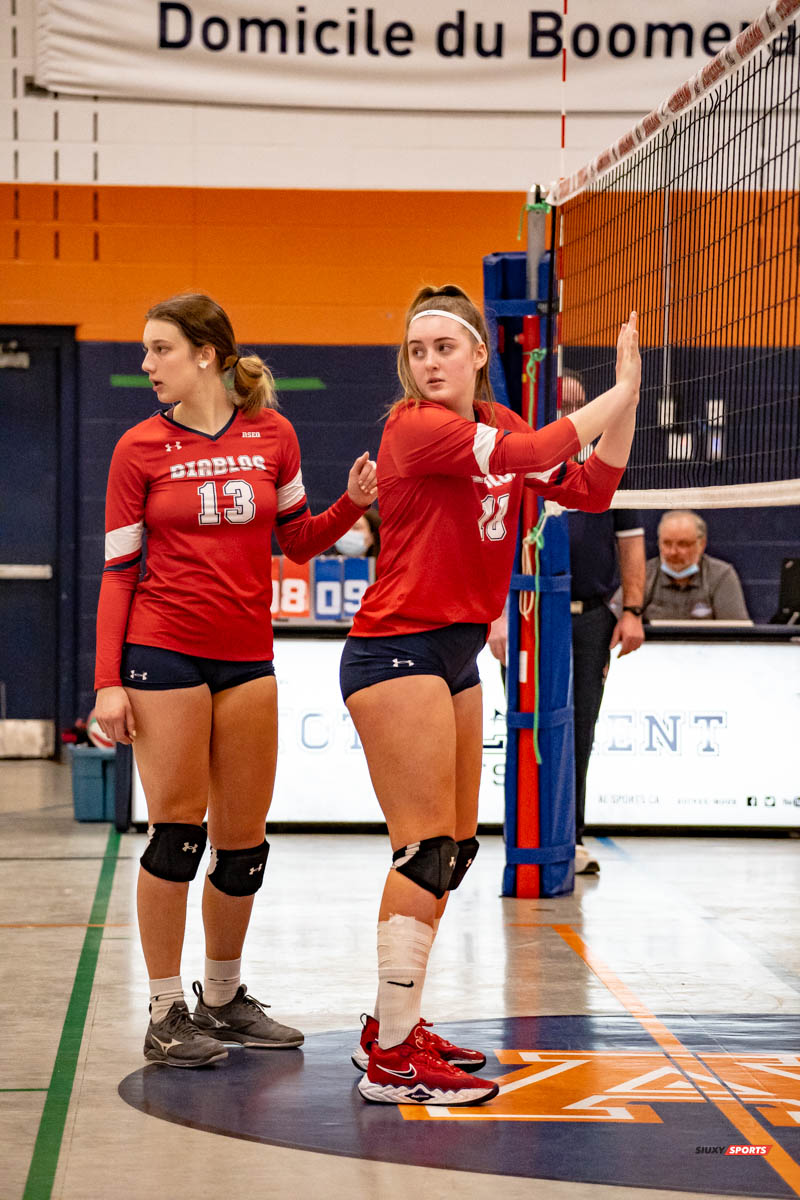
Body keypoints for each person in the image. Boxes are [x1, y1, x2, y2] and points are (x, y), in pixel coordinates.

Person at [339, 284, 641, 1107]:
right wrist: (620, 390)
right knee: (422, 849)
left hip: (455, 652)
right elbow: (537, 448)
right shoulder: (414, 427)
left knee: (457, 849)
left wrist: (625, 405)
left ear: (479, 354)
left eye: (445, 348)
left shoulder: (498, 423)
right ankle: (392, 1061)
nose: (429, 363)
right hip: (394, 650)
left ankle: (394, 1025)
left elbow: (591, 490)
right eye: (417, 351)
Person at [92, 292, 377, 1069]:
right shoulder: (137, 448)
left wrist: (352, 503)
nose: (147, 364)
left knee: (243, 845)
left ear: (206, 354)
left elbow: (298, 542)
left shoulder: (272, 434)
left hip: (247, 656)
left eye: (160, 349)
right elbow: (118, 572)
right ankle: (164, 1012)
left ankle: (221, 1000)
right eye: (146, 350)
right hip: (163, 652)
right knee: (176, 834)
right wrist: (108, 682)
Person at [488, 372, 646, 877]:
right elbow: (490, 542)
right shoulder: (516, 461)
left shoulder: (605, 465)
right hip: (526, 614)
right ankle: (525, 834)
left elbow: (631, 545)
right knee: (526, 727)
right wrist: (496, 615)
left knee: (580, 731)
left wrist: (633, 610)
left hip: (589, 618)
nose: (567, 412)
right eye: (558, 404)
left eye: (575, 404)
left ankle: (570, 839)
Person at [637, 510, 749, 620]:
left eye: (682, 544)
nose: (673, 552)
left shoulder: (721, 575)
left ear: (701, 544)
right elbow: (626, 621)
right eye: (666, 543)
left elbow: (735, 629)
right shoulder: (643, 575)